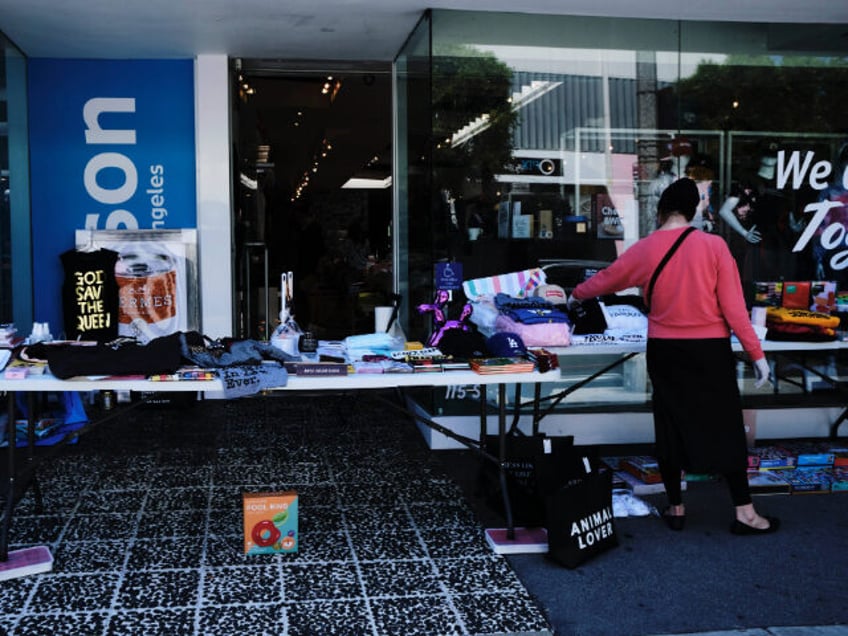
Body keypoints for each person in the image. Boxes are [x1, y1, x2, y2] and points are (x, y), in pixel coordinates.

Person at [569, 178, 778, 535]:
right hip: (709, 350)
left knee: (669, 425)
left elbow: (606, 280)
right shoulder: (714, 246)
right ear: (695, 209)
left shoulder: (645, 249)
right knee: (724, 426)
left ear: (661, 209)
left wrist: (575, 295)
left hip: (665, 350)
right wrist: (757, 354)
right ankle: (745, 512)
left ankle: (676, 507)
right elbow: (734, 309)